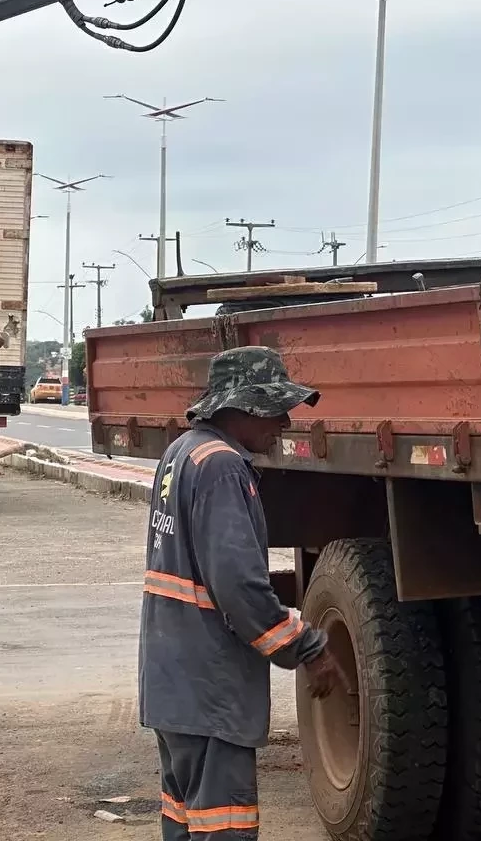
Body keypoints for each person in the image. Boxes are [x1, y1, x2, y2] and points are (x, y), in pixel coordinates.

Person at [139, 345, 347, 841]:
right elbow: (239, 587)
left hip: (174, 683)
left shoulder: (182, 451)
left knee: (185, 823)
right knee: (222, 830)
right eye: (277, 410)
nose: (285, 424)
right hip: (210, 689)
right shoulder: (224, 468)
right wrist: (308, 648)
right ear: (244, 407)